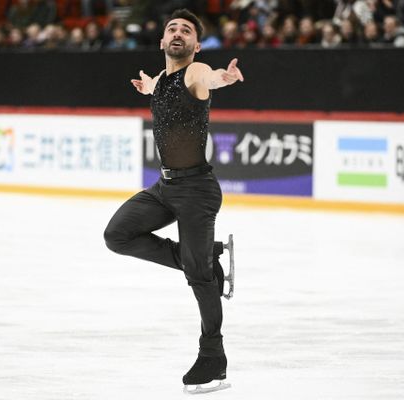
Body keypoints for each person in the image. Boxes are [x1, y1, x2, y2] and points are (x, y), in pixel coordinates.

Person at [103, 8, 243, 393]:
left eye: (186, 30)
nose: (178, 32)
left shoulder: (196, 72)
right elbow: (157, 87)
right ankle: (195, 257)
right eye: (172, 28)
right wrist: (149, 86)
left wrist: (223, 78)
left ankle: (213, 358)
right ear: (163, 41)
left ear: (196, 45)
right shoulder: (163, 78)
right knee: (118, 235)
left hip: (197, 191)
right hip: (164, 188)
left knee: (200, 278)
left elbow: (209, 77)